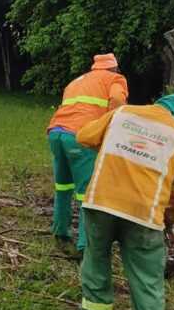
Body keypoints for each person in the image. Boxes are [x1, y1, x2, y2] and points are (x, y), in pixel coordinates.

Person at [75, 94, 174, 310]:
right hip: (143, 214)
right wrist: (170, 216)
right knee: (147, 277)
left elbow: (84, 136)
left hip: (101, 202)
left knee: (96, 257)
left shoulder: (122, 114)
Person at [46, 53, 128, 253]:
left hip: (56, 133)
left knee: (63, 186)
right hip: (81, 137)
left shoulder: (77, 81)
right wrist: (112, 125)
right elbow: (117, 99)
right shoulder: (115, 79)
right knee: (86, 192)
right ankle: (84, 245)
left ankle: (60, 233)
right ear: (114, 68)